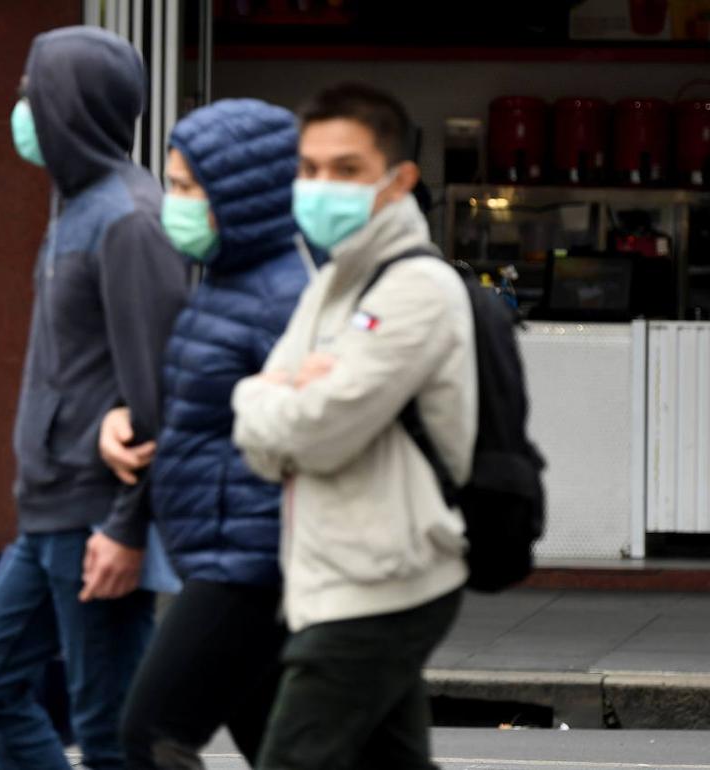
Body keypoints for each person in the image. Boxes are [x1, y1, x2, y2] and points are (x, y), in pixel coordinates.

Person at [0, 26, 187, 770]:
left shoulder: (128, 220)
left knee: (112, 731)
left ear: (69, 106)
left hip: (97, 518)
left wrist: (125, 526)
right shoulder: (77, 208)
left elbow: (158, 390)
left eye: (33, 90)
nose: (21, 105)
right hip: (52, 509)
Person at [231, 83, 477, 769]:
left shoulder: (415, 288)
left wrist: (272, 397)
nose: (321, 187)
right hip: (336, 571)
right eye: (309, 170)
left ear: (399, 181)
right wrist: (272, 398)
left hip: (381, 579)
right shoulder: (335, 279)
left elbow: (314, 430)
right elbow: (257, 426)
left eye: (346, 170)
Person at [102, 99, 311, 769]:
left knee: (149, 734)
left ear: (242, 193)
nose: (174, 204)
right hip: (221, 550)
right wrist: (118, 419)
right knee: (286, 752)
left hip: (247, 562)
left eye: (189, 188)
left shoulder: (283, 298)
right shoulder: (224, 284)